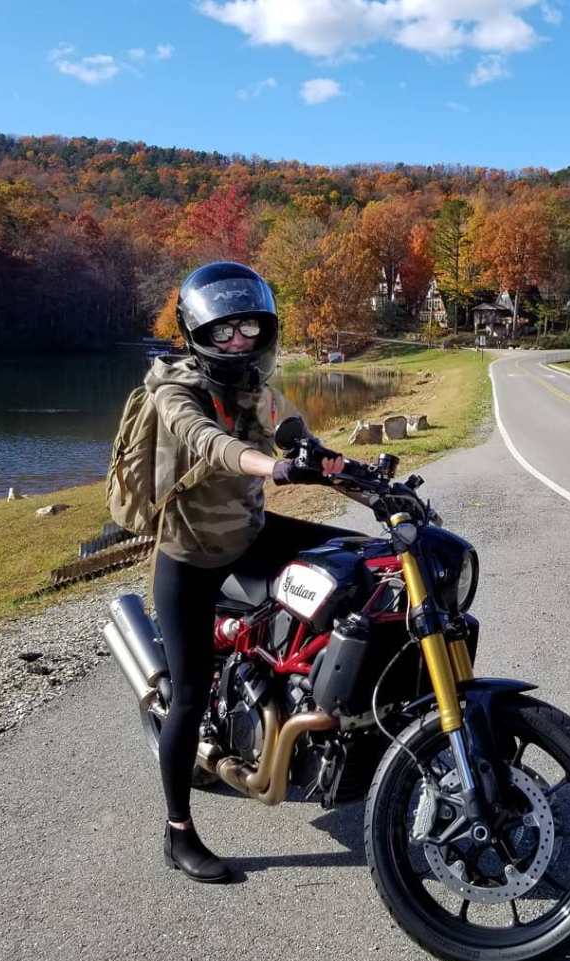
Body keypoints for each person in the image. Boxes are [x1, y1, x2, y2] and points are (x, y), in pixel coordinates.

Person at [145, 260, 350, 884]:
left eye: (250, 330)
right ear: (199, 333)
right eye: (225, 332)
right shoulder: (173, 391)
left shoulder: (255, 387)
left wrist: (331, 460)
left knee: (354, 565)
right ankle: (178, 830)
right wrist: (268, 466)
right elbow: (209, 442)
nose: (240, 342)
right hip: (190, 555)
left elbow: (289, 423)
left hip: (251, 537)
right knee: (186, 696)